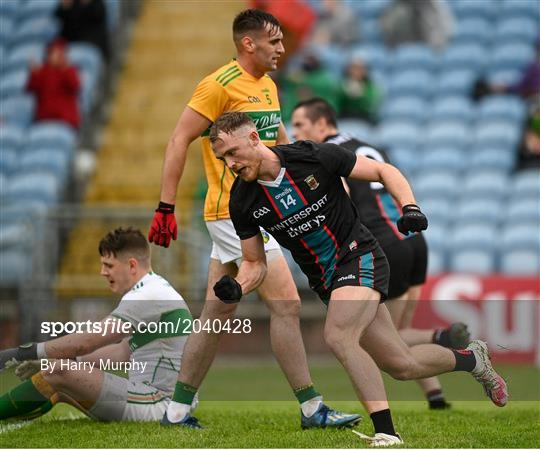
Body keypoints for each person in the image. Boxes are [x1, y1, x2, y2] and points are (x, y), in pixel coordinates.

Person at [209, 111, 508, 447]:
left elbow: (383, 170)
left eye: (232, 153)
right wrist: (238, 286)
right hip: (327, 281)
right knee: (401, 364)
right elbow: (254, 263)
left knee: (338, 335)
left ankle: (387, 433)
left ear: (253, 139)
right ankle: (473, 359)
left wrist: (409, 206)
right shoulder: (242, 200)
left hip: (359, 254)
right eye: (222, 158)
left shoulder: (312, 156)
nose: (230, 163)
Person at [148, 9, 359, 429]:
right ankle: (311, 407)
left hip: (255, 212)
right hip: (232, 211)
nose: (282, 48)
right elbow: (178, 138)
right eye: (274, 41)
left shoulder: (268, 86)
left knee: (216, 311)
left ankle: (176, 410)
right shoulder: (218, 85)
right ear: (249, 43)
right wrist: (166, 206)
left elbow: (279, 144)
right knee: (288, 304)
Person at [291, 98, 472, 410]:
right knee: (397, 334)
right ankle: (436, 396)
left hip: (383, 243)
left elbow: (339, 198)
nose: (294, 134)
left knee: (380, 339)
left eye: (299, 125)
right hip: (413, 240)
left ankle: (440, 336)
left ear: (321, 124)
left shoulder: (325, 155)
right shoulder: (367, 145)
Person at [0, 228, 195, 423]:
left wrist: (25, 352)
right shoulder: (154, 289)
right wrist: (54, 362)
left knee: (59, 371)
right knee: (61, 383)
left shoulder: (146, 295)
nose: (103, 272)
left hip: (161, 404)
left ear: (132, 265)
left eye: (108, 265)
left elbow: (88, 341)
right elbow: (121, 353)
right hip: (158, 399)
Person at [26, 38, 80, 129]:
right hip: (43, 120)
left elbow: (76, 86)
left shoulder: (69, 70)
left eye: (58, 53)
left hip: (66, 121)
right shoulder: (42, 71)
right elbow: (29, 89)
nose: (54, 56)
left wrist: (65, 69)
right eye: (51, 53)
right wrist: (33, 74)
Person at [338, 56, 382, 124]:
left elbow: (371, 105)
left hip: (365, 118)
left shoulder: (371, 87)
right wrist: (345, 94)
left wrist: (360, 96)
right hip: (345, 116)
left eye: (360, 68)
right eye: (354, 68)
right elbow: (338, 104)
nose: (356, 71)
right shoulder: (341, 84)